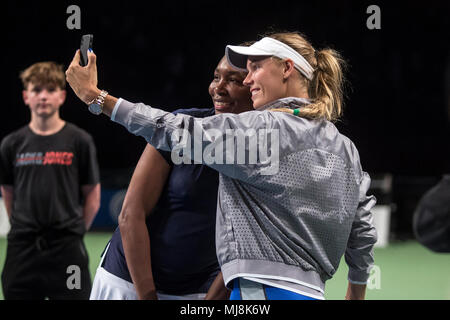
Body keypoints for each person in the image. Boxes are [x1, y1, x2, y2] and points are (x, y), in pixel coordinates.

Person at [66, 31, 377, 300]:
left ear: (286, 68)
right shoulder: (344, 146)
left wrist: (96, 97)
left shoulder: (264, 130)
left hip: (259, 291)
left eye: (255, 68)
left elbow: (171, 130)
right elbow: (362, 227)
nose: (249, 77)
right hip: (311, 291)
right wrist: (357, 289)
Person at [89, 56, 253, 300]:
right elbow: (130, 215)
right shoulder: (182, 126)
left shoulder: (267, 151)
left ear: (257, 88)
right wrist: (147, 297)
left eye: (233, 80)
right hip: (128, 282)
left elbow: (247, 248)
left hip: (199, 290)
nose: (218, 88)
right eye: (216, 77)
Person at [0, 61, 101, 300]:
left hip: (67, 249)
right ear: (26, 96)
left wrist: (73, 233)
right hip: (22, 249)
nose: (43, 96)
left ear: (62, 96)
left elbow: (93, 196)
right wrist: (22, 226)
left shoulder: (80, 140)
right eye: (36, 90)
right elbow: (8, 191)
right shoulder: (11, 144)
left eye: (51, 90)